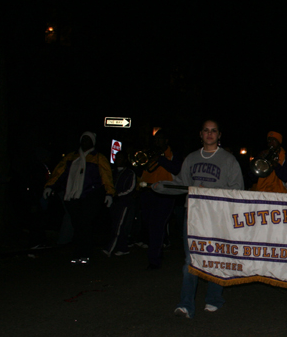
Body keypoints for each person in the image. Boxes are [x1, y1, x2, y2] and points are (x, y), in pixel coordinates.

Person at [153, 120, 244, 319]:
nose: (210, 134)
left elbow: (237, 190)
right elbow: (181, 184)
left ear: (219, 135)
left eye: (214, 131)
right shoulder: (191, 158)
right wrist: (161, 186)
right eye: (206, 130)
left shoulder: (229, 160)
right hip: (193, 215)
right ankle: (186, 305)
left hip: (217, 215)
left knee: (215, 257)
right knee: (190, 260)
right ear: (200, 134)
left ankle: (214, 299)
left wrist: (211, 192)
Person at [43, 131, 115, 264]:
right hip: (73, 195)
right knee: (77, 224)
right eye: (83, 139)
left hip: (91, 195)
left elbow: (106, 176)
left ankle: (85, 252)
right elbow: (59, 173)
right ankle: (78, 252)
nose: (85, 142)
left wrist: (109, 193)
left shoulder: (98, 158)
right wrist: (50, 186)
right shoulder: (71, 157)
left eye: (88, 139)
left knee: (85, 222)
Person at [138, 129, 183, 269]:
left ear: (166, 141)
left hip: (165, 193)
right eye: (156, 139)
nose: (157, 141)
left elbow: (176, 169)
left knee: (156, 225)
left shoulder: (174, 154)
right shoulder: (149, 153)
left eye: (160, 139)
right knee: (148, 223)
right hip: (147, 191)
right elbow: (141, 170)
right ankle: (160, 246)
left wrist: (161, 159)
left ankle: (154, 259)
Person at [103, 150, 136, 257]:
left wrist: (118, 195)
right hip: (112, 202)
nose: (118, 160)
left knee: (118, 225)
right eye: (116, 158)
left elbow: (131, 188)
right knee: (116, 225)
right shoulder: (112, 172)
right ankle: (123, 247)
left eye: (120, 158)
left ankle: (109, 248)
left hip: (123, 203)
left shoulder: (130, 173)